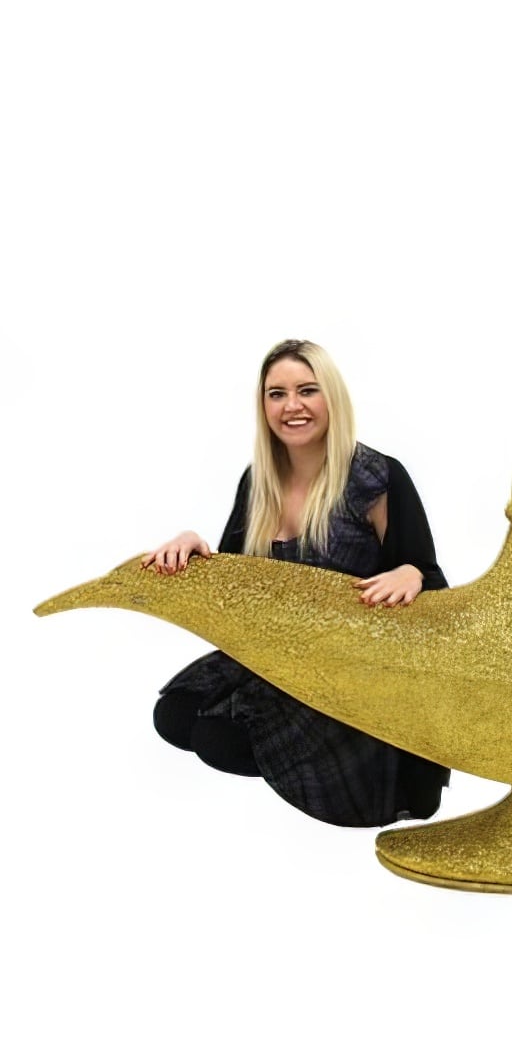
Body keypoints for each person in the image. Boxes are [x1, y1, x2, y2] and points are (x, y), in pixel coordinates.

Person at [144, 339, 448, 827]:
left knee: (218, 739)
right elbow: (235, 589)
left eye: (307, 390)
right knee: (175, 715)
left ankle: (351, 765)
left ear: (332, 397)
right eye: (277, 394)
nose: (292, 406)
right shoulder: (258, 482)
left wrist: (412, 572)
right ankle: (289, 746)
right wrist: (194, 548)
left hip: (352, 673)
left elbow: (434, 591)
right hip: (278, 657)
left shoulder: (377, 478)